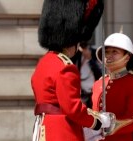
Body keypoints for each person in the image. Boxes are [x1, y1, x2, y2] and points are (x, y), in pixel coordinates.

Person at [30, 0, 114, 141]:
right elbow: (73, 109)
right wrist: (99, 121)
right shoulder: (65, 67)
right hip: (62, 131)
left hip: (44, 128)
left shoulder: (44, 62)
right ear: (71, 41)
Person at [91, 32, 133, 141]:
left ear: (127, 57)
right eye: (107, 52)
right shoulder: (98, 84)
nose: (109, 56)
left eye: (115, 52)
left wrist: (107, 125)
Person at [71, 41, 102, 108]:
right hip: (81, 93)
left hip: (92, 93)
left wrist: (89, 59)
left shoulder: (94, 53)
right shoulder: (76, 56)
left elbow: (99, 73)